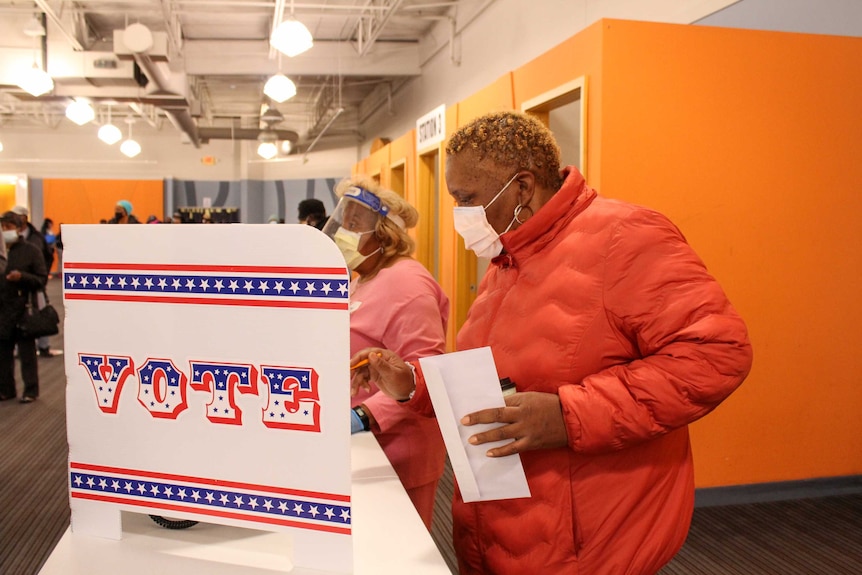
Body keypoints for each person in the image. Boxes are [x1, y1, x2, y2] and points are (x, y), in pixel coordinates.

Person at [350, 111, 753, 575]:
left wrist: (568, 415)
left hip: (586, 537)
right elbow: (499, 379)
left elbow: (716, 354)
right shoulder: (509, 257)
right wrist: (413, 385)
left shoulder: (626, 237)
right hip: (500, 520)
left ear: (522, 187)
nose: (460, 213)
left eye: (467, 198)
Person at [322, 177, 449, 530]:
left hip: (399, 451)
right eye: (341, 222)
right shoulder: (363, 277)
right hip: (365, 448)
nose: (342, 233)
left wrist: (363, 414)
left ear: (385, 234)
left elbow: (427, 372)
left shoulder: (408, 284)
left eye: (354, 225)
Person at [0, 212, 48, 403]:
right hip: (3, 308)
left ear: (19, 228)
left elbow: (41, 279)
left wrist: (22, 277)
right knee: (3, 354)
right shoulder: (2, 251)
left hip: (23, 307)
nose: (5, 231)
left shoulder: (30, 250)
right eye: (3, 227)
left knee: (27, 352)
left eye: (9, 227)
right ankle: (6, 389)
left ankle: (31, 390)